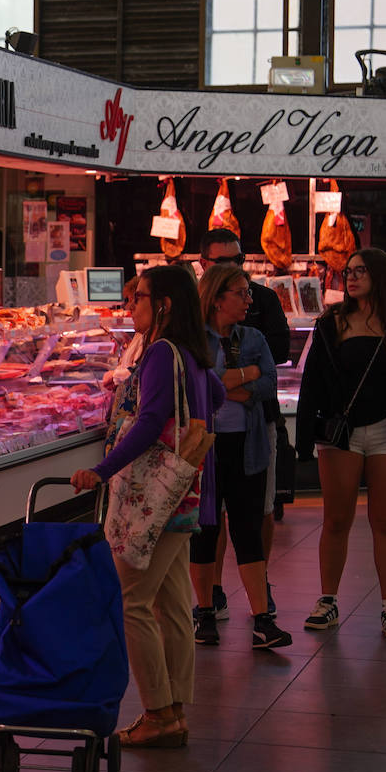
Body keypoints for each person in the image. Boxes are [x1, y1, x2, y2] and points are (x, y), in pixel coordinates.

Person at [71, 265, 222, 747]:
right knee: (172, 604)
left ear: (164, 305)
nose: (130, 305)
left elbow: (150, 419)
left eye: (138, 298)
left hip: (153, 495)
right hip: (183, 492)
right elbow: (216, 394)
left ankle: (157, 711)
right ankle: (175, 708)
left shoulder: (159, 352)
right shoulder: (193, 355)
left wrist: (103, 468)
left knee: (132, 599)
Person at [296, 248, 386, 640]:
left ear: (379, 275)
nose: (351, 278)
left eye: (360, 271)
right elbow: (313, 385)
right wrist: (304, 438)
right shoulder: (332, 324)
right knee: (336, 520)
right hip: (341, 434)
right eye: (348, 272)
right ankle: (327, 600)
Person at [191, 264, 292, 650]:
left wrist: (234, 384)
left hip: (247, 445)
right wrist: (241, 376)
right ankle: (204, 613)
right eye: (241, 294)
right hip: (205, 446)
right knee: (205, 530)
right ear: (217, 298)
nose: (249, 301)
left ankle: (262, 618)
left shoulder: (254, 337)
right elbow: (199, 381)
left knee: (248, 529)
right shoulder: (193, 339)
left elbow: (269, 384)